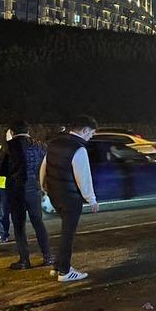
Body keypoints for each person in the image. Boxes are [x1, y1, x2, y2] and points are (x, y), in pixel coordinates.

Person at [40, 115, 100, 282]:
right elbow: (83, 177)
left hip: (54, 194)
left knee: (65, 232)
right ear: (85, 129)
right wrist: (92, 200)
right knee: (68, 234)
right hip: (70, 198)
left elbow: (44, 166)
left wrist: (43, 187)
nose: (92, 136)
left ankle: (58, 266)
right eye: (92, 132)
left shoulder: (55, 143)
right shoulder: (78, 148)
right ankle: (65, 272)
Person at [0, 121, 51, 269]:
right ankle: (48, 257)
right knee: (38, 222)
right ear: (28, 131)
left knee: (19, 226)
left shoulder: (9, 146)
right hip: (34, 187)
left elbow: (0, 170)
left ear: (12, 132)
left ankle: (24, 260)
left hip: (16, 189)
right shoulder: (40, 145)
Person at [0, 130, 12, 244]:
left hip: (17, 183)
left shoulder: (21, 147)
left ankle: (21, 234)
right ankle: (3, 234)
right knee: (4, 212)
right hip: (4, 184)